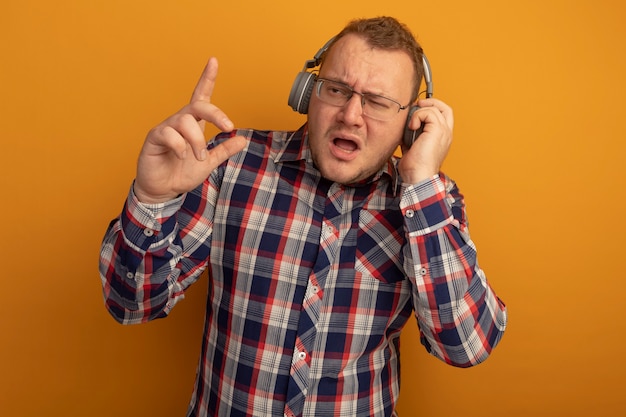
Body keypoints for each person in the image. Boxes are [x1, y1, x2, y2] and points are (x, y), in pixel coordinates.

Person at [99, 16, 507, 417]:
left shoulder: (431, 201)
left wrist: (420, 183)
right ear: (307, 91)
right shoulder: (231, 165)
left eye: (378, 103)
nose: (350, 115)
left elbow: (466, 344)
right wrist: (153, 199)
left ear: (410, 125)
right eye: (336, 89)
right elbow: (131, 304)